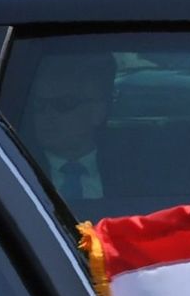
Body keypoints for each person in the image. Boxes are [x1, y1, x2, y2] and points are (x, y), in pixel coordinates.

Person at [15, 51, 139, 203]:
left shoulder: (135, 169)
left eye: (63, 104)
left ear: (97, 112)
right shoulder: (13, 169)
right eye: (40, 104)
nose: (47, 114)